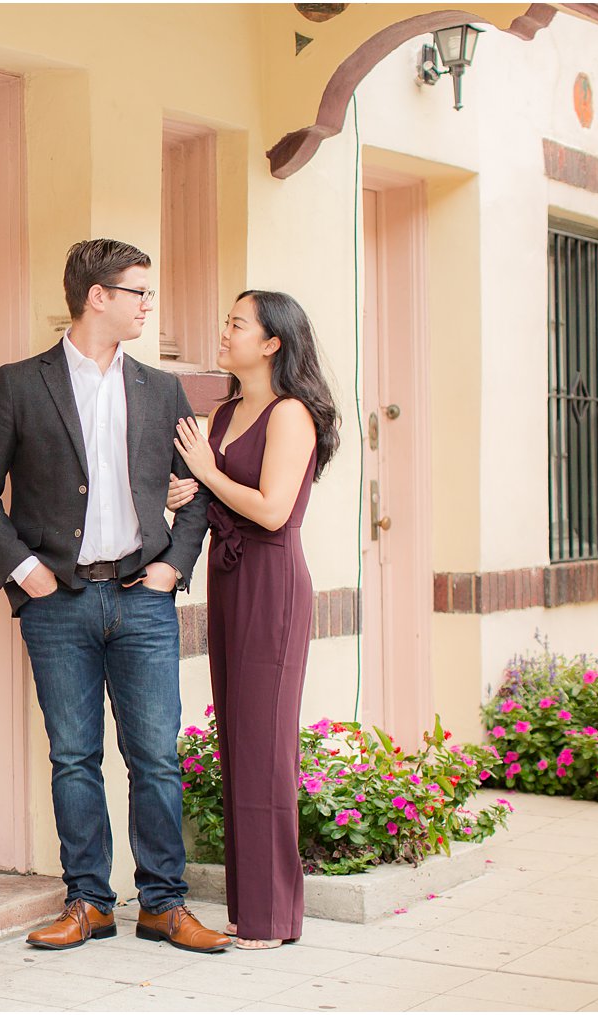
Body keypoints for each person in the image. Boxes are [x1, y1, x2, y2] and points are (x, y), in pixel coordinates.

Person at [0, 239, 229, 954]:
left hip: (143, 599)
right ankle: (89, 901)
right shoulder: (19, 384)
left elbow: (193, 489)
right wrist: (23, 569)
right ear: (97, 297)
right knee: (74, 755)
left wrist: (174, 563)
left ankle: (165, 903)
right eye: (137, 292)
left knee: (156, 758)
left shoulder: (161, 388)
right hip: (58, 603)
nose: (149, 304)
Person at [169, 290, 340, 950]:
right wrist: (186, 486)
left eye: (237, 324)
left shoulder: (290, 413)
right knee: (240, 739)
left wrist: (208, 472)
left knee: (267, 746)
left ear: (271, 342)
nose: (224, 331)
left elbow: (270, 509)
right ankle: (249, 909)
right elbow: (208, 491)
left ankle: (271, 917)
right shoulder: (227, 408)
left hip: (272, 581)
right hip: (229, 578)